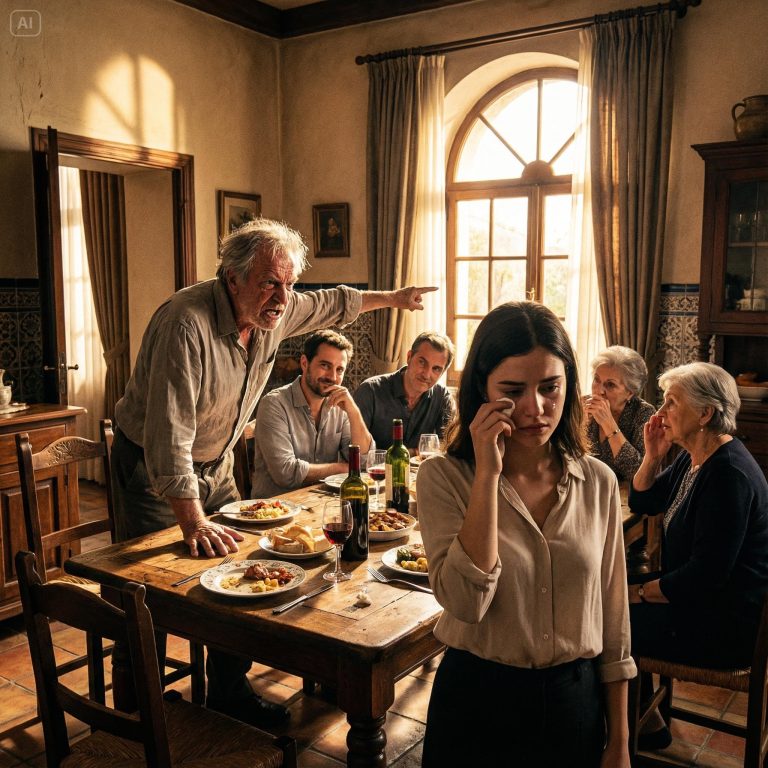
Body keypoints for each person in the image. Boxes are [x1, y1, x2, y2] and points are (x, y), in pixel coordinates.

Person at [110, 217, 436, 728]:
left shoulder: (273, 312)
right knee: (149, 589)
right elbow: (168, 437)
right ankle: (136, 708)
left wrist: (394, 299)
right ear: (232, 277)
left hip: (214, 466)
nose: (282, 297)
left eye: (288, 284)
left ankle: (227, 692)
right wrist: (193, 521)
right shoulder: (186, 323)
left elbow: (334, 302)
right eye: (268, 282)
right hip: (152, 469)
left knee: (233, 577)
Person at [417, 301, 635, 768]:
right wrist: (487, 477)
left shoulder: (596, 481)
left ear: (569, 385)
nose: (536, 408)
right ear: (482, 388)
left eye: (550, 387)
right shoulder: (443, 478)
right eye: (513, 390)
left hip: (571, 703)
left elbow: (614, 619)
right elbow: (465, 602)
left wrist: (619, 742)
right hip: (476, 701)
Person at [628, 362, 768, 750]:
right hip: (700, 602)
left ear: (705, 414)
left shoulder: (728, 475)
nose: (660, 413)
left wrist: (636, 594)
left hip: (722, 625)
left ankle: (625, 733)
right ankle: (645, 720)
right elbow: (643, 499)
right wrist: (653, 455)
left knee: (610, 619)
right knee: (608, 598)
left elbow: (705, 577)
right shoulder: (696, 458)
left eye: (672, 403)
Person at [250, 329, 372, 497]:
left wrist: (354, 412)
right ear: (304, 363)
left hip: (320, 505)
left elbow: (365, 461)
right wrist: (343, 468)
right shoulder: (273, 404)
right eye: (325, 365)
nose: (332, 377)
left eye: (339, 370)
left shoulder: (340, 405)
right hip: (273, 512)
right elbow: (285, 473)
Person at [353, 331, 455, 451]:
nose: (427, 374)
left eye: (436, 369)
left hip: (422, 470)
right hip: (374, 469)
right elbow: (357, 453)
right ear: (409, 357)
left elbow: (447, 450)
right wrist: (412, 453)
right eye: (422, 362)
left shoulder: (442, 398)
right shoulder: (369, 392)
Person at [584, 345, 656, 481]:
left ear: (629, 392)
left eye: (610, 385)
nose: (599, 391)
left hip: (621, 495)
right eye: (596, 380)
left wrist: (608, 424)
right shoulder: (581, 405)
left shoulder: (644, 413)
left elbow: (637, 472)